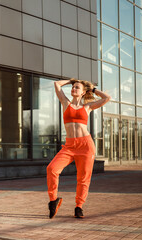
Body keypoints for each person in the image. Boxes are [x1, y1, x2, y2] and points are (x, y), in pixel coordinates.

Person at [47, 78, 111, 219]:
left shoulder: (87, 107)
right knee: (52, 169)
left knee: (83, 178)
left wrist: (92, 89)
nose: (73, 89)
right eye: (73, 87)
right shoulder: (65, 103)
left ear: (83, 92)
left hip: (86, 146)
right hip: (69, 146)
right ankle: (53, 200)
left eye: (77, 87)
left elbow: (107, 98)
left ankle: (79, 206)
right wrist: (71, 80)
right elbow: (57, 84)